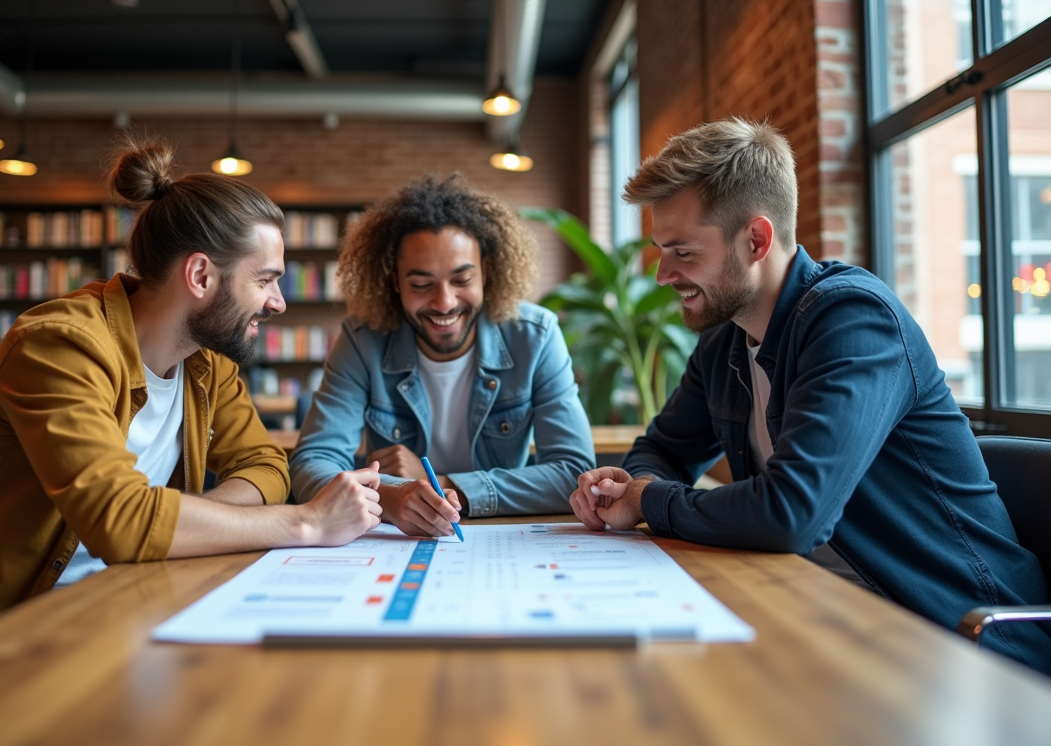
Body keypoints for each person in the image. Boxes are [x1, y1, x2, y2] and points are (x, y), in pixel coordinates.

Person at [571, 118, 1051, 673]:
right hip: (826, 613)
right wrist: (628, 487)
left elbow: (792, 514)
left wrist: (649, 500)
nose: (663, 274)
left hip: (959, 643)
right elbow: (663, 449)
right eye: (662, 250)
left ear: (756, 240)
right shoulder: (725, 340)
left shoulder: (854, 320)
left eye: (682, 251)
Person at [0, 140, 382, 657]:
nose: (278, 302)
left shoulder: (205, 360)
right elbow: (121, 521)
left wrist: (176, 520)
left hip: (114, 608)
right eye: (265, 280)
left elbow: (266, 467)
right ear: (200, 276)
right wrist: (308, 523)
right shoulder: (60, 346)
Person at [290, 174, 594, 536]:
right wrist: (391, 496)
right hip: (401, 541)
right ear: (395, 282)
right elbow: (312, 463)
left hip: (500, 534)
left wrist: (446, 485)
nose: (444, 302)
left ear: (487, 273)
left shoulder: (536, 336)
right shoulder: (362, 341)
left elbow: (573, 472)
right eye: (421, 284)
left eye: (462, 280)